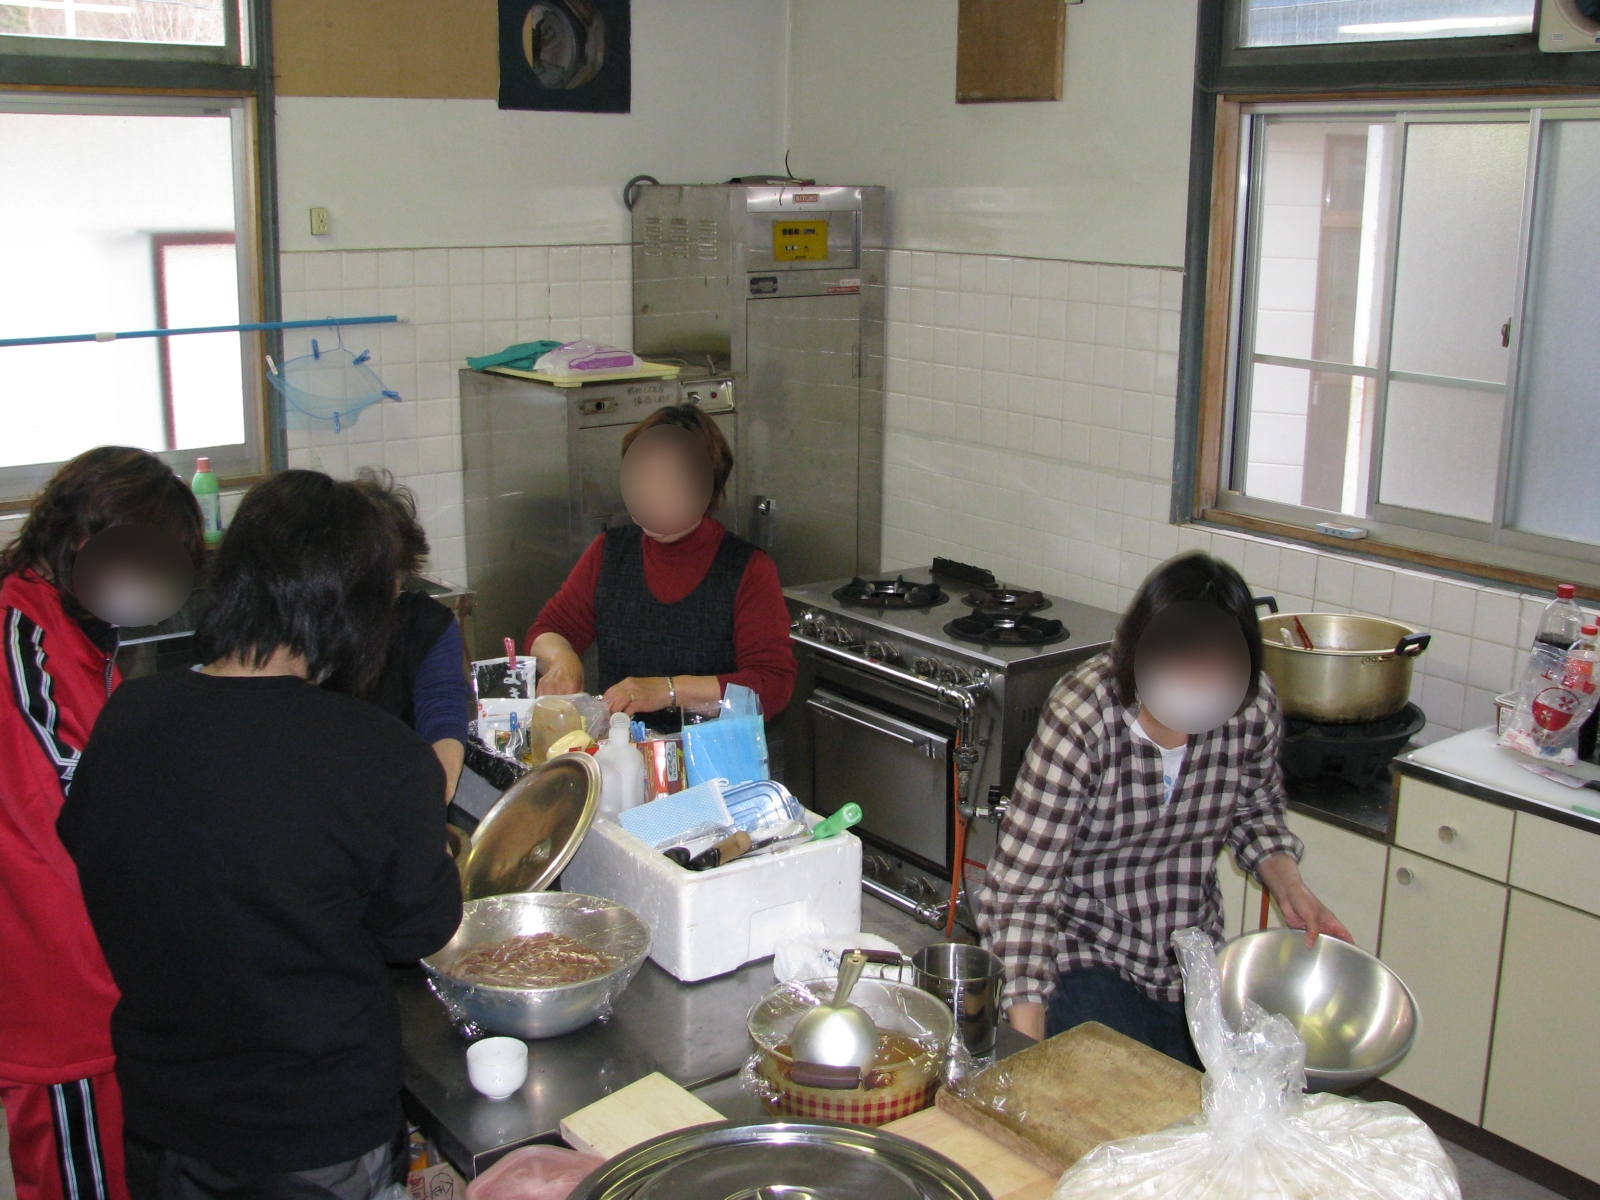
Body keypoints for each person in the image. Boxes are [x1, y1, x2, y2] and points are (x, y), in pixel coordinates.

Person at [58, 470, 462, 1200]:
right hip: (316, 1130)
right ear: (356, 609)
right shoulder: (378, 754)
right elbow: (419, 929)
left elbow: (94, 860)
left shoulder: (127, 718)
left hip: (164, 1120)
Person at [978, 552, 1351, 1066]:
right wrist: (1029, 1051)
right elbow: (1022, 891)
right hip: (1086, 950)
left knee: (1195, 1101)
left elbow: (1253, 807)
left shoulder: (1251, 708)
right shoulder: (1085, 718)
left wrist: (1292, 889)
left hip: (1188, 956)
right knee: (1107, 1094)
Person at [0, 446, 203, 1200]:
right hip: (65, 996)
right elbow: (72, 812)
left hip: (104, 984)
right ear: (80, 540)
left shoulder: (73, 633)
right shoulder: (24, 644)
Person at [527, 404, 795, 725]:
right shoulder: (610, 552)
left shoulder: (749, 569)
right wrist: (562, 660)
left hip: (712, 753)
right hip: (624, 747)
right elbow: (549, 630)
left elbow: (771, 686)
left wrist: (669, 690)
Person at [346, 468, 471, 801]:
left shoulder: (427, 625)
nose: (390, 587)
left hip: (400, 790)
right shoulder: (312, 630)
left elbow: (443, 714)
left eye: (397, 574)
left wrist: (432, 799)